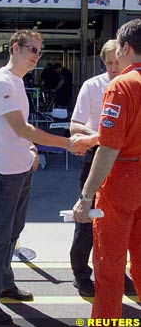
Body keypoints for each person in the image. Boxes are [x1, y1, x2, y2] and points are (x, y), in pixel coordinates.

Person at [0, 29, 92, 325]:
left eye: (39, 52)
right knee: (0, 236)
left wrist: (30, 150)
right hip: (4, 172)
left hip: (19, 168)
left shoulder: (17, 81)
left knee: (13, 231)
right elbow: (22, 128)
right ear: (15, 47)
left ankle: (4, 284)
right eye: (33, 50)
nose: (37, 57)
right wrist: (66, 143)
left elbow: (22, 128)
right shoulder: (3, 82)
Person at [73, 18, 141, 318]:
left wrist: (86, 196)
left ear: (126, 47)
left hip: (122, 181)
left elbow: (112, 147)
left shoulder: (121, 85)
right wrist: (95, 138)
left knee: (109, 265)